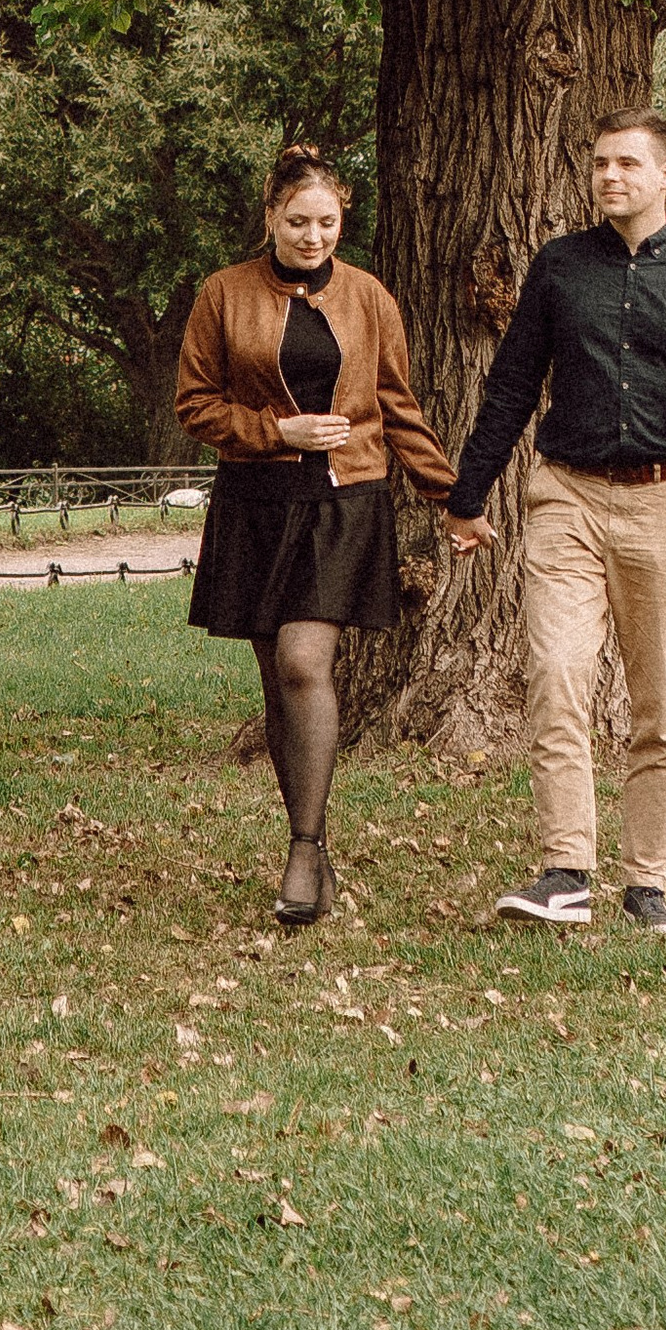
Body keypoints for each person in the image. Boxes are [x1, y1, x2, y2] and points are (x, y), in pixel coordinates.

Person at [441, 111, 666, 933]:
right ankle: (565, 871)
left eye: (627, 164)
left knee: (661, 706)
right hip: (567, 498)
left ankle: (646, 884)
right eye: (598, 165)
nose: (609, 177)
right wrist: (469, 495)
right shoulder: (560, 268)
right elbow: (512, 384)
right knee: (556, 675)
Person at [176, 143, 459, 926]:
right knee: (277, 683)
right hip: (256, 504)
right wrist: (276, 430)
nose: (312, 237)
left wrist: (448, 496)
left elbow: (397, 404)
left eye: (327, 222)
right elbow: (194, 405)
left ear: (343, 220)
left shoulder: (369, 297)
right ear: (270, 215)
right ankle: (316, 850)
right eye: (297, 221)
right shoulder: (223, 294)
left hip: (344, 503)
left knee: (304, 662)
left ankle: (302, 850)